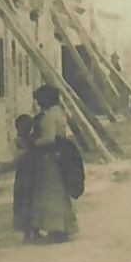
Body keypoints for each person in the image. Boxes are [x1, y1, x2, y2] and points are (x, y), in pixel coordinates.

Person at [26, 84, 80, 242]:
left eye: (39, 99)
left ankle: (55, 229)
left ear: (46, 99)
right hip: (59, 155)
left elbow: (49, 139)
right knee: (59, 192)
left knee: (50, 193)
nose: (38, 103)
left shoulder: (49, 116)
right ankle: (62, 227)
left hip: (48, 157)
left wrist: (32, 144)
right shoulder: (59, 112)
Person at [11, 114, 40, 242]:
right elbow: (16, 157)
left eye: (28, 127)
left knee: (34, 201)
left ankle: (35, 230)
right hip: (23, 176)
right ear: (17, 128)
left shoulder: (32, 140)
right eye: (23, 127)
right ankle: (27, 232)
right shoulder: (17, 142)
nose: (25, 129)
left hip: (33, 174)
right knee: (24, 203)